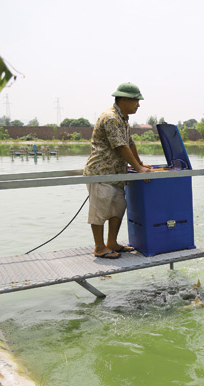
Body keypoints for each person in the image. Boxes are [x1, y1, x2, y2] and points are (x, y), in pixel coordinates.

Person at [84, 82, 151, 259]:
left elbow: (130, 143)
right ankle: (99, 247)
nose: (138, 105)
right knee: (100, 211)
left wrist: (141, 165)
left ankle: (111, 243)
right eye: (136, 101)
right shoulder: (111, 118)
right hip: (101, 173)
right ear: (123, 99)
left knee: (117, 208)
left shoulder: (123, 119)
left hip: (116, 174)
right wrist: (138, 169)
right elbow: (121, 146)